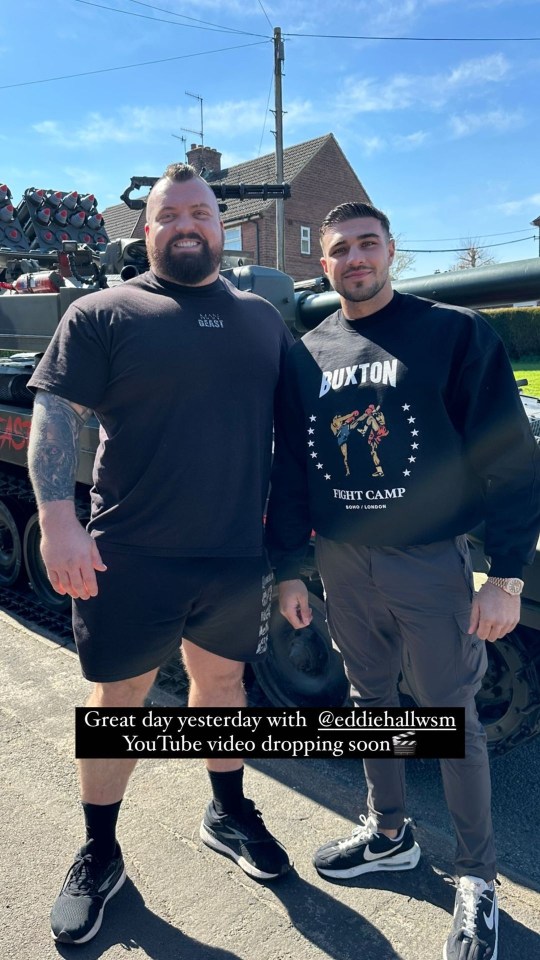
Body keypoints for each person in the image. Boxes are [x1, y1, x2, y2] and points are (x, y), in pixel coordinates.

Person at [27, 163, 293, 946]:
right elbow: (56, 409)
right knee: (121, 704)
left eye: (200, 212)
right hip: (130, 553)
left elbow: (303, 429)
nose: (186, 223)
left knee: (224, 684)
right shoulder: (104, 311)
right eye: (168, 213)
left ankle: (228, 808)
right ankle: (100, 851)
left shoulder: (261, 320)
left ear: (219, 224)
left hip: (235, 553)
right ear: (145, 230)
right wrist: (56, 519)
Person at [266, 200, 540, 960]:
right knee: (369, 701)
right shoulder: (307, 351)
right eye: (338, 249)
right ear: (321, 264)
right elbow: (291, 468)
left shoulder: (453, 333)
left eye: (367, 244)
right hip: (341, 562)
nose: (354, 258)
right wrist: (291, 570)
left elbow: (511, 459)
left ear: (393, 251)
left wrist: (505, 578)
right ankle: (390, 835)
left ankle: (478, 879)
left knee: (450, 717)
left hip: (429, 561)